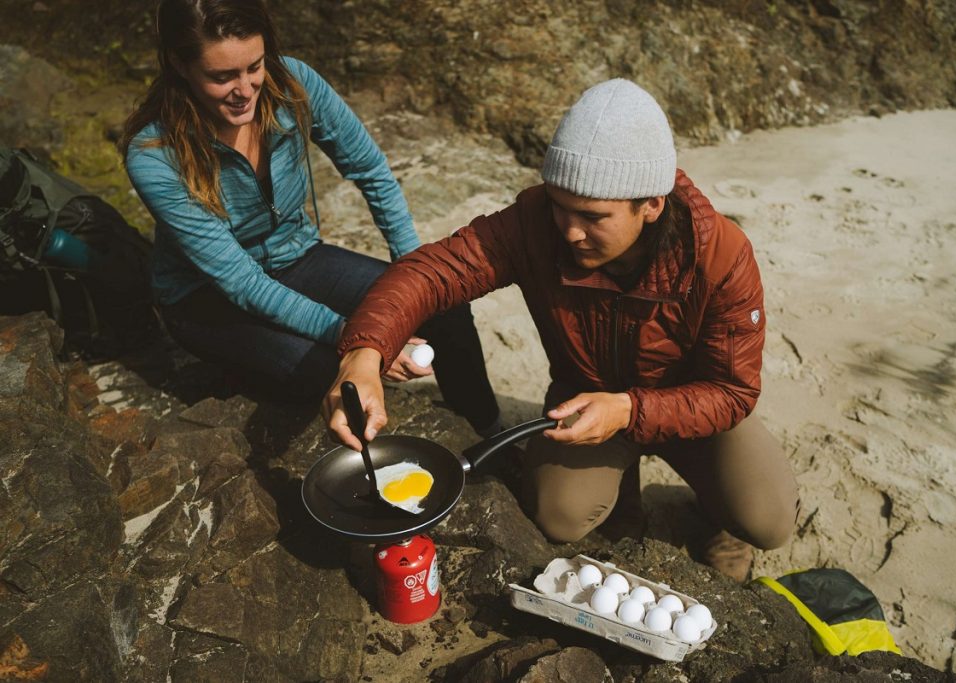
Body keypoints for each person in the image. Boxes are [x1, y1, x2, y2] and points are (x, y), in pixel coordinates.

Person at [323, 78, 800, 581]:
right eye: (559, 205)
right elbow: (430, 273)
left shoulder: (721, 255)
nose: (570, 231)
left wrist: (629, 410)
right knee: (559, 515)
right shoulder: (534, 225)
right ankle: (623, 501)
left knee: (767, 521)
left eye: (593, 217)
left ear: (652, 205)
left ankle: (712, 514)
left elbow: (732, 392)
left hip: (691, 405)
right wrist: (364, 353)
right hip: (583, 396)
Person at [118, 0, 500, 436]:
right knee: (331, 372)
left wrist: (415, 275)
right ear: (179, 65)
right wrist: (360, 341)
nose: (245, 89)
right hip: (204, 298)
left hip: (297, 257)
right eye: (222, 77)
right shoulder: (154, 156)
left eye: (254, 67)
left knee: (441, 302)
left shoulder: (294, 84)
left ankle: (488, 435)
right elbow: (242, 282)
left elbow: (370, 169)